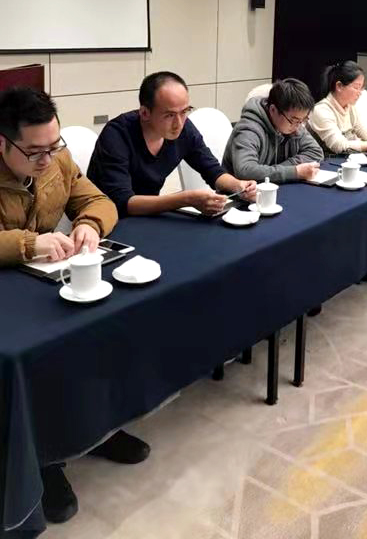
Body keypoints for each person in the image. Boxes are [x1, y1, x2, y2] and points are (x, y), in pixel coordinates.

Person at [0, 88, 148, 524]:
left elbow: (99, 200)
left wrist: (89, 225)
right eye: (34, 152)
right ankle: (44, 462)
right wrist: (29, 243)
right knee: (33, 357)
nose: (47, 159)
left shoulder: (57, 160)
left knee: (98, 328)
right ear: (2, 143)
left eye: (54, 145)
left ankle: (95, 429)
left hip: (41, 281)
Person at [87, 72, 256, 216]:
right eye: (169, 115)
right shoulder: (116, 135)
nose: (179, 123)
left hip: (148, 216)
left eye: (184, 112)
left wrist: (238, 185)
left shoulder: (184, 128)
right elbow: (123, 203)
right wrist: (186, 199)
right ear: (145, 113)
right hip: (108, 221)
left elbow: (213, 171)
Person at [222, 78, 323, 183]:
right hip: (240, 191)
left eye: (303, 120)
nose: (298, 126)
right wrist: (294, 172)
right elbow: (245, 170)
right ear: (273, 110)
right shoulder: (248, 129)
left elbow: (315, 152)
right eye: (294, 120)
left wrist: (283, 170)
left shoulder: (294, 124)